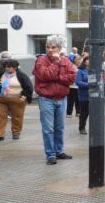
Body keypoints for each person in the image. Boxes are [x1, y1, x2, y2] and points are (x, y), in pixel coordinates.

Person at [33, 35, 77, 165]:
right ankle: (50, 155)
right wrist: (56, 64)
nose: (50, 49)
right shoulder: (41, 60)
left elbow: (72, 78)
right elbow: (45, 75)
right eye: (48, 47)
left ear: (59, 48)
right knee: (48, 129)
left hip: (62, 98)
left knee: (60, 128)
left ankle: (59, 151)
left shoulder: (66, 60)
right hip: (46, 99)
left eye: (53, 47)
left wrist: (57, 76)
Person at [0, 59, 33, 142]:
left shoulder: (21, 75)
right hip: (1, 99)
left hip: (16, 99)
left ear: (15, 67)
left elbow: (28, 87)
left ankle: (16, 133)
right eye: (6, 67)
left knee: (17, 117)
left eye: (9, 67)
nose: (7, 68)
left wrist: (23, 97)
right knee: (0, 117)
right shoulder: (1, 74)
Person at [76, 56, 90, 135]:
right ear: (84, 61)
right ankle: (82, 128)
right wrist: (89, 85)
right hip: (84, 95)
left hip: (94, 96)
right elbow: (78, 82)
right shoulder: (80, 71)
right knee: (84, 113)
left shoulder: (94, 70)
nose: (88, 61)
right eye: (87, 60)